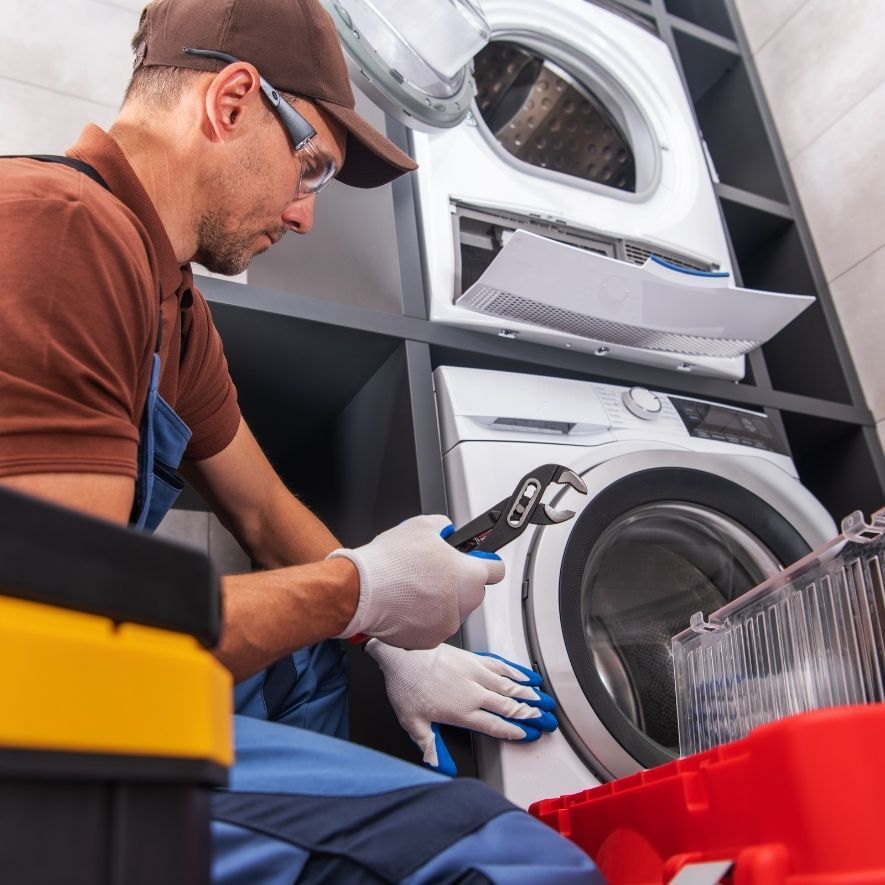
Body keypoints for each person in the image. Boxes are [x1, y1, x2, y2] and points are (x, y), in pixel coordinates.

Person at [0, 0, 602, 880]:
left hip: (58, 680)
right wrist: (356, 589)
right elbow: (68, 643)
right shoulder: (58, 232)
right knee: (505, 859)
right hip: (32, 715)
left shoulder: (168, 298)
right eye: (311, 167)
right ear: (232, 101)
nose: (304, 214)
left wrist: (394, 638)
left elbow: (263, 505)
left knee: (313, 651)